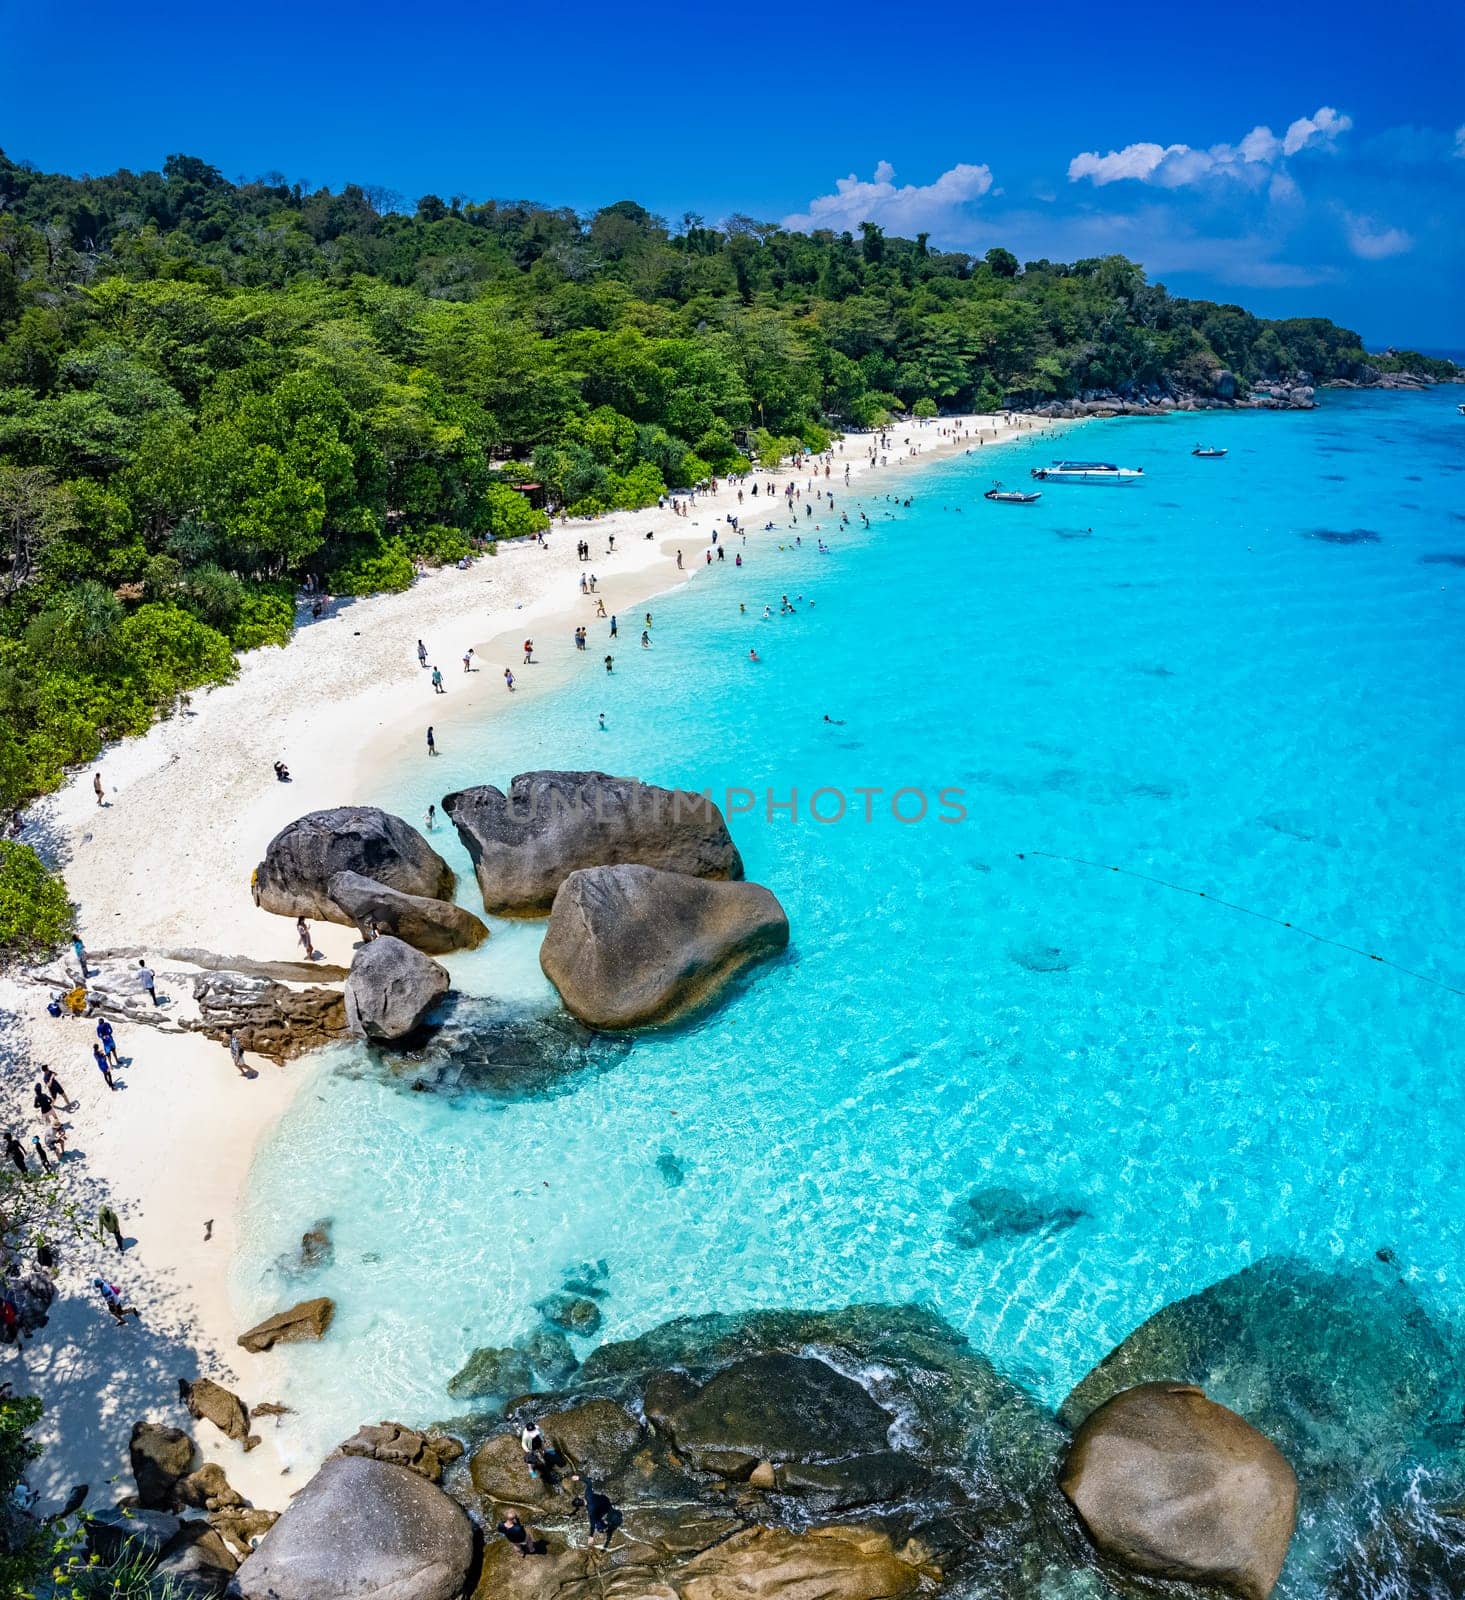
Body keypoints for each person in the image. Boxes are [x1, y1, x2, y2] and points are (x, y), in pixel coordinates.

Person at [572, 1476, 617, 1549]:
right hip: (605, 1499)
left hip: (606, 1509)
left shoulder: (590, 1510)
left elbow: (592, 1525)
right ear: (581, 1498)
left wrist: (591, 1536)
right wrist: (579, 1478)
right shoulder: (587, 1494)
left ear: (580, 1506)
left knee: (596, 1521)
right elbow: (589, 1483)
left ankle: (606, 1527)